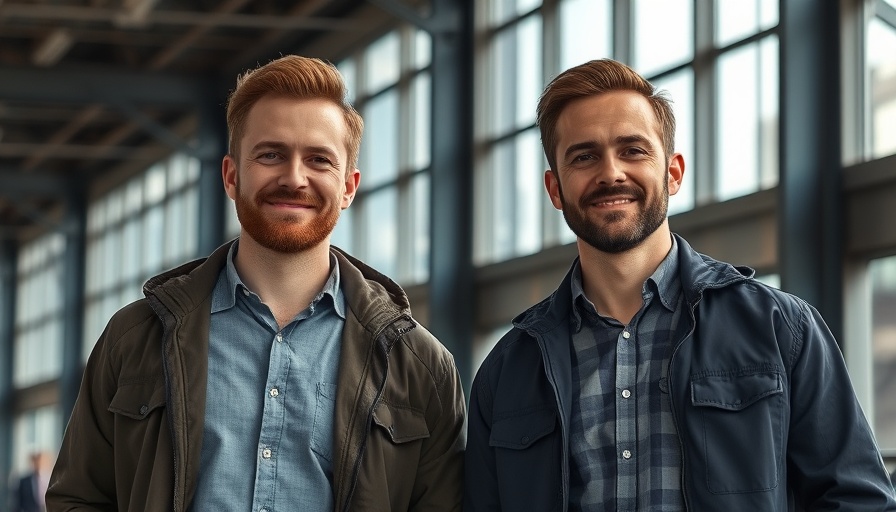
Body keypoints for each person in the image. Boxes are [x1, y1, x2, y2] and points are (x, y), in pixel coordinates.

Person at [463, 58, 896, 511]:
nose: (611, 172)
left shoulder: (782, 329)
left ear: (672, 172)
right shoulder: (505, 373)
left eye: (633, 150)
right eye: (585, 156)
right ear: (555, 188)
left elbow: (856, 500)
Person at [47, 55, 465, 512]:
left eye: (319, 159)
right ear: (231, 175)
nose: (293, 177)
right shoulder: (135, 340)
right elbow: (78, 498)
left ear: (349, 187)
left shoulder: (420, 367)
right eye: (271, 155)